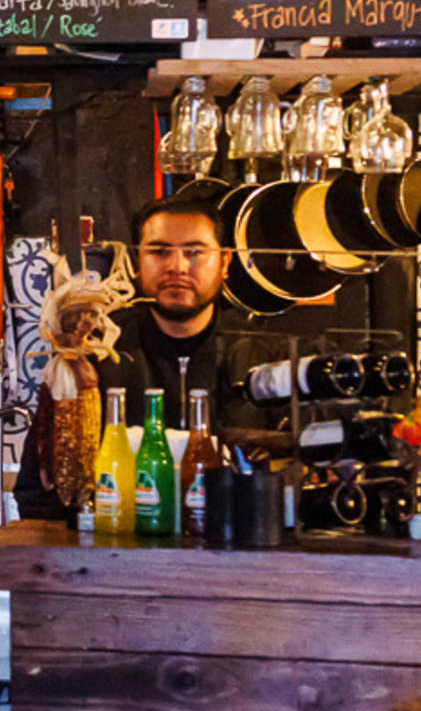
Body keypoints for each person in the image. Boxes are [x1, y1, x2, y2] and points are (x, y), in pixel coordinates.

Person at [16, 191, 268, 518]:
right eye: (160, 251)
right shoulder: (91, 354)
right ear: (137, 262)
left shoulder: (262, 355)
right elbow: (37, 493)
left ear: (225, 262)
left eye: (194, 252)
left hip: (237, 555)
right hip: (120, 555)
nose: (177, 266)